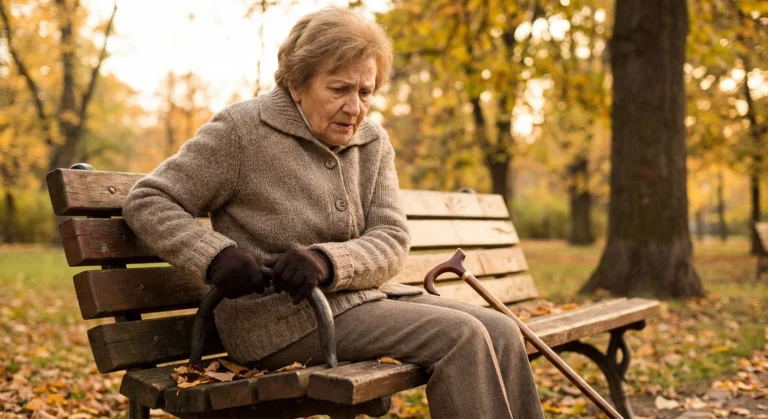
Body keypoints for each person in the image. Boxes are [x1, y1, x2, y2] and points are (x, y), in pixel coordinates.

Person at [123, 7, 543, 418]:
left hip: (360, 302)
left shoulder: (373, 141)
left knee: (504, 331)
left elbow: (392, 237)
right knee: (461, 337)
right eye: (339, 89)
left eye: (365, 92)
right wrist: (214, 256)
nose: (355, 108)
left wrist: (327, 261)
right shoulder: (241, 131)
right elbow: (150, 200)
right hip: (279, 322)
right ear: (296, 82)